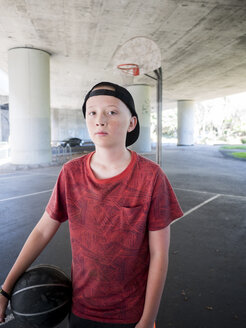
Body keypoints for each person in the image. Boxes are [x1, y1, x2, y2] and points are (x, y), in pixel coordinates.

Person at [0, 82, 183, 328]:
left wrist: (148, 318)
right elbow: (43, 230)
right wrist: (5, 289)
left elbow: (159, 254)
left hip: (132, 314)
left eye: (112, 112)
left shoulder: (151, 177)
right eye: (92, 112)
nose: (100, 120)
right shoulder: (71, 173)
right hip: (81, 310)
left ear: (132, 123)